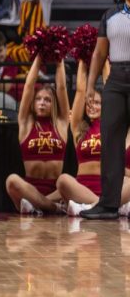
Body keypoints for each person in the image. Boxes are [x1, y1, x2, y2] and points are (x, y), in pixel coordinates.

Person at [81, 0, 130, 219]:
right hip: (116, 79)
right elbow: (99, 54)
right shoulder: (109, 15)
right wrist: (90, 86)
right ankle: (108, 204)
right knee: (110, 140)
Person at [4, 56, 69, 215]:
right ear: (33, 103)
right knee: (11, 180)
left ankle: (37, 207)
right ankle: (52, 208)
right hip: (30, 190)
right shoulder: (26, 123)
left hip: (56, 191)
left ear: (53, 103)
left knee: (67, 181)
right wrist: (40, 57)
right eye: (38, 99)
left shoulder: (60, 123)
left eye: (47, 100)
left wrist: (59, 58)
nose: (42, 102)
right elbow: (28, 87)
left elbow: (61, 88)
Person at [57, 58, 104, 216]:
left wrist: (103, 57)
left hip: (106, 187)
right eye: (89, 102)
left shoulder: (111, 126)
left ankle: (95, 206)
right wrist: (83, 59)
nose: (92, 105)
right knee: (63, 180)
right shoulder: (79, 128)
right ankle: (98, 206)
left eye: (97, 102)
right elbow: (80, 91)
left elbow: (109, 81)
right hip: (81, 189)